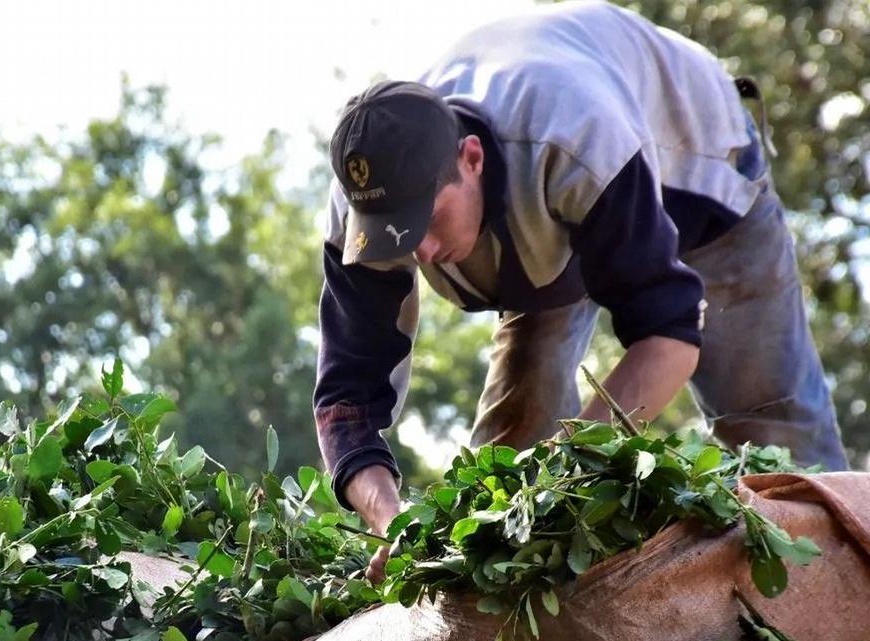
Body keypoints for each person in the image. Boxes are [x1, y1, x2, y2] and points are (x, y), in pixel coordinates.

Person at [313, 1, 848, 582]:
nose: (417, 251)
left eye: (426, 221)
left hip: (698, 172)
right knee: (507, 466)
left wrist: (558, 480)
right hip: (550, 213)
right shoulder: (365, 209)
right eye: (393, 231)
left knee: (779, 440)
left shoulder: (575, 140)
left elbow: (666, 336)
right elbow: (347, 406)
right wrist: (392, 519)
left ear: (471, 160)